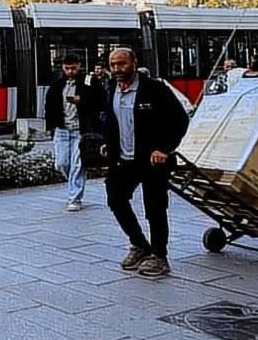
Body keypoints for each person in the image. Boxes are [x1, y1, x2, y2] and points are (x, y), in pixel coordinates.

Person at [101, 47, 189, 278]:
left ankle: (159, 256)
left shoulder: (154, 89)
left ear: (134, 63)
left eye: (122, 64)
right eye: (113, 65)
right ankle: (140, 244)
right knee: (115, 199)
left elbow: (180, 120)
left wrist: (164, 148)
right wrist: (108, 143)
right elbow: (111, 120)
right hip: (123, 160)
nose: (117, 69)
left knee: (155, 208)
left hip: (152, 160)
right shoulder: (111, 88)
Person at [45, 54, 103, 212]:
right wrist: (51, 126)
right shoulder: (57, 83)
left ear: (79, 66)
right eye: (67, 68)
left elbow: (101, 101)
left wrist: (82, 100)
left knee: (78, 164)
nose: (70, 71)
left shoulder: (89, 81)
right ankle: (73, 183)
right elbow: (49, 104)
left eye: (73, 68)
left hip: (81, 131)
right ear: (63, 68)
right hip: (62, 130)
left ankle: (75, 198)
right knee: (61, 163)